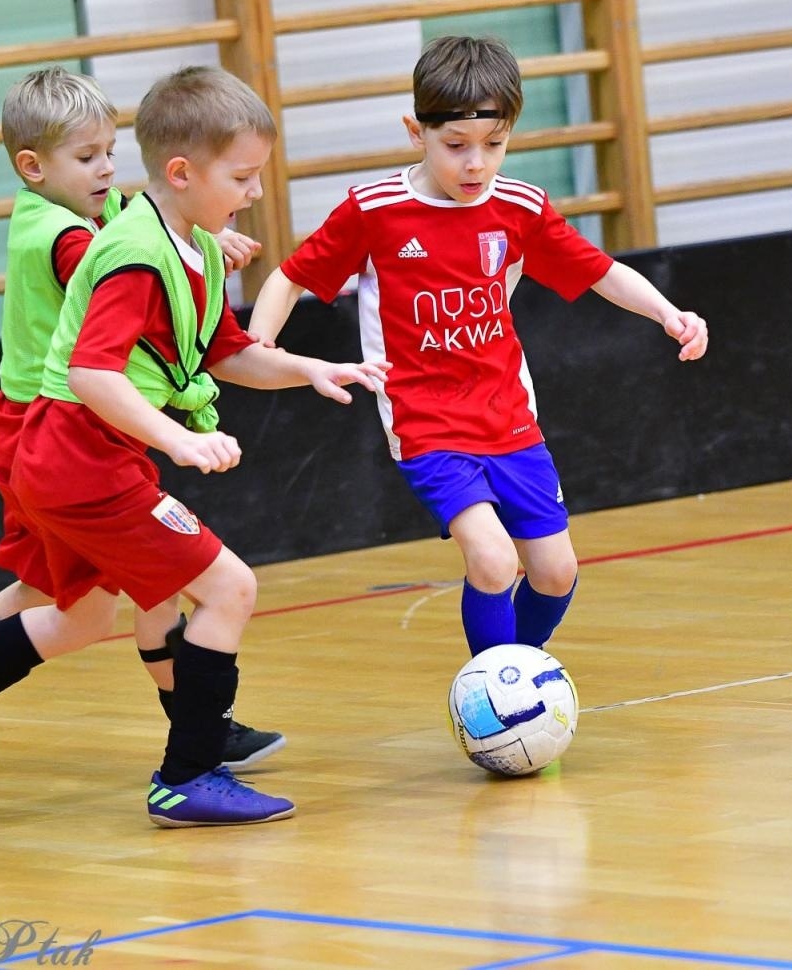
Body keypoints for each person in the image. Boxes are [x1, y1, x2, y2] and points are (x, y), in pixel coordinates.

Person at [0, 65, 389, 826]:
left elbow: (226, 352)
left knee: (84, 617)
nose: (254, 193)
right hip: (80, 460)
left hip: (71, 457)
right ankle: (190, 772)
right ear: (182, 172)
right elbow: (90, 372)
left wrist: (311, 367)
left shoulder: (195, 248)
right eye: (241, 176)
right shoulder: (134, 254)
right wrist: (178, 439)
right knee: (228, 588)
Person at [249, 35, 708, 659]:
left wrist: (666, 312)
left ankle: (515, 674)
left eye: (494, 145)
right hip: (424, 420)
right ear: (417, 131)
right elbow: (291, 275)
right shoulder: (375, 210)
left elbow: (600, 270)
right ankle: (497, 690)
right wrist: (264, 343)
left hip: (510, 417)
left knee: (555, 572)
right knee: (493, 562)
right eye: (456, 147)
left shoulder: (520, 207)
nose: (476, 164)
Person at [0, 66, 284, 771]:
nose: (107, 169)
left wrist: (200, 237)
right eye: (87, 158)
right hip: (44, 427)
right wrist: (193, 243)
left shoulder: (91, 216)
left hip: (85, 426)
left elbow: (147, 233)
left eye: (110, 151)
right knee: (90, 587)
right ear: (32, 167)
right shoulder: (60, 232)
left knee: (94, 595)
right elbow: (122, 259)